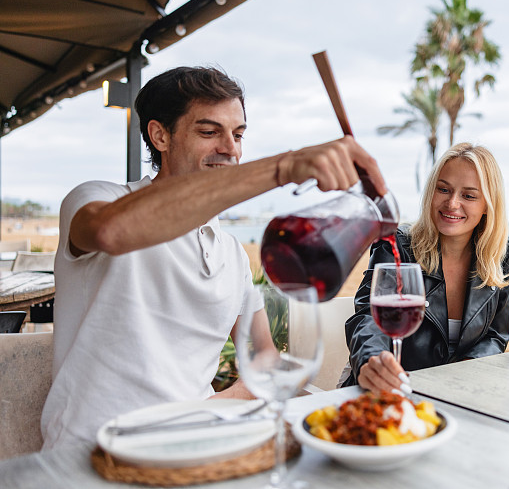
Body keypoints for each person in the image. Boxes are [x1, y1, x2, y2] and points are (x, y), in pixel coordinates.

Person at [40, 66, 387, 448]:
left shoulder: (231, 252)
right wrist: (284, 167)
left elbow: (265, 357)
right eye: (209, 132)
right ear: (160, 135)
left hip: (191, 447)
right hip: (89, 451)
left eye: (237, 135)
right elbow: (110, 232)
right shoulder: (99, 199)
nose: (230, 149)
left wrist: (202, 410)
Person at [342, 143, 509, 393]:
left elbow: (496, 336)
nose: (452, 203)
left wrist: (464, 373)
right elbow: (368, 315)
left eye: (468, 196)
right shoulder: (396, 244)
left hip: (458, 392)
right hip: (387, 388)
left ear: (488, 205)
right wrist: (371, 360)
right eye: (443, 189)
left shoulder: (501, 254)